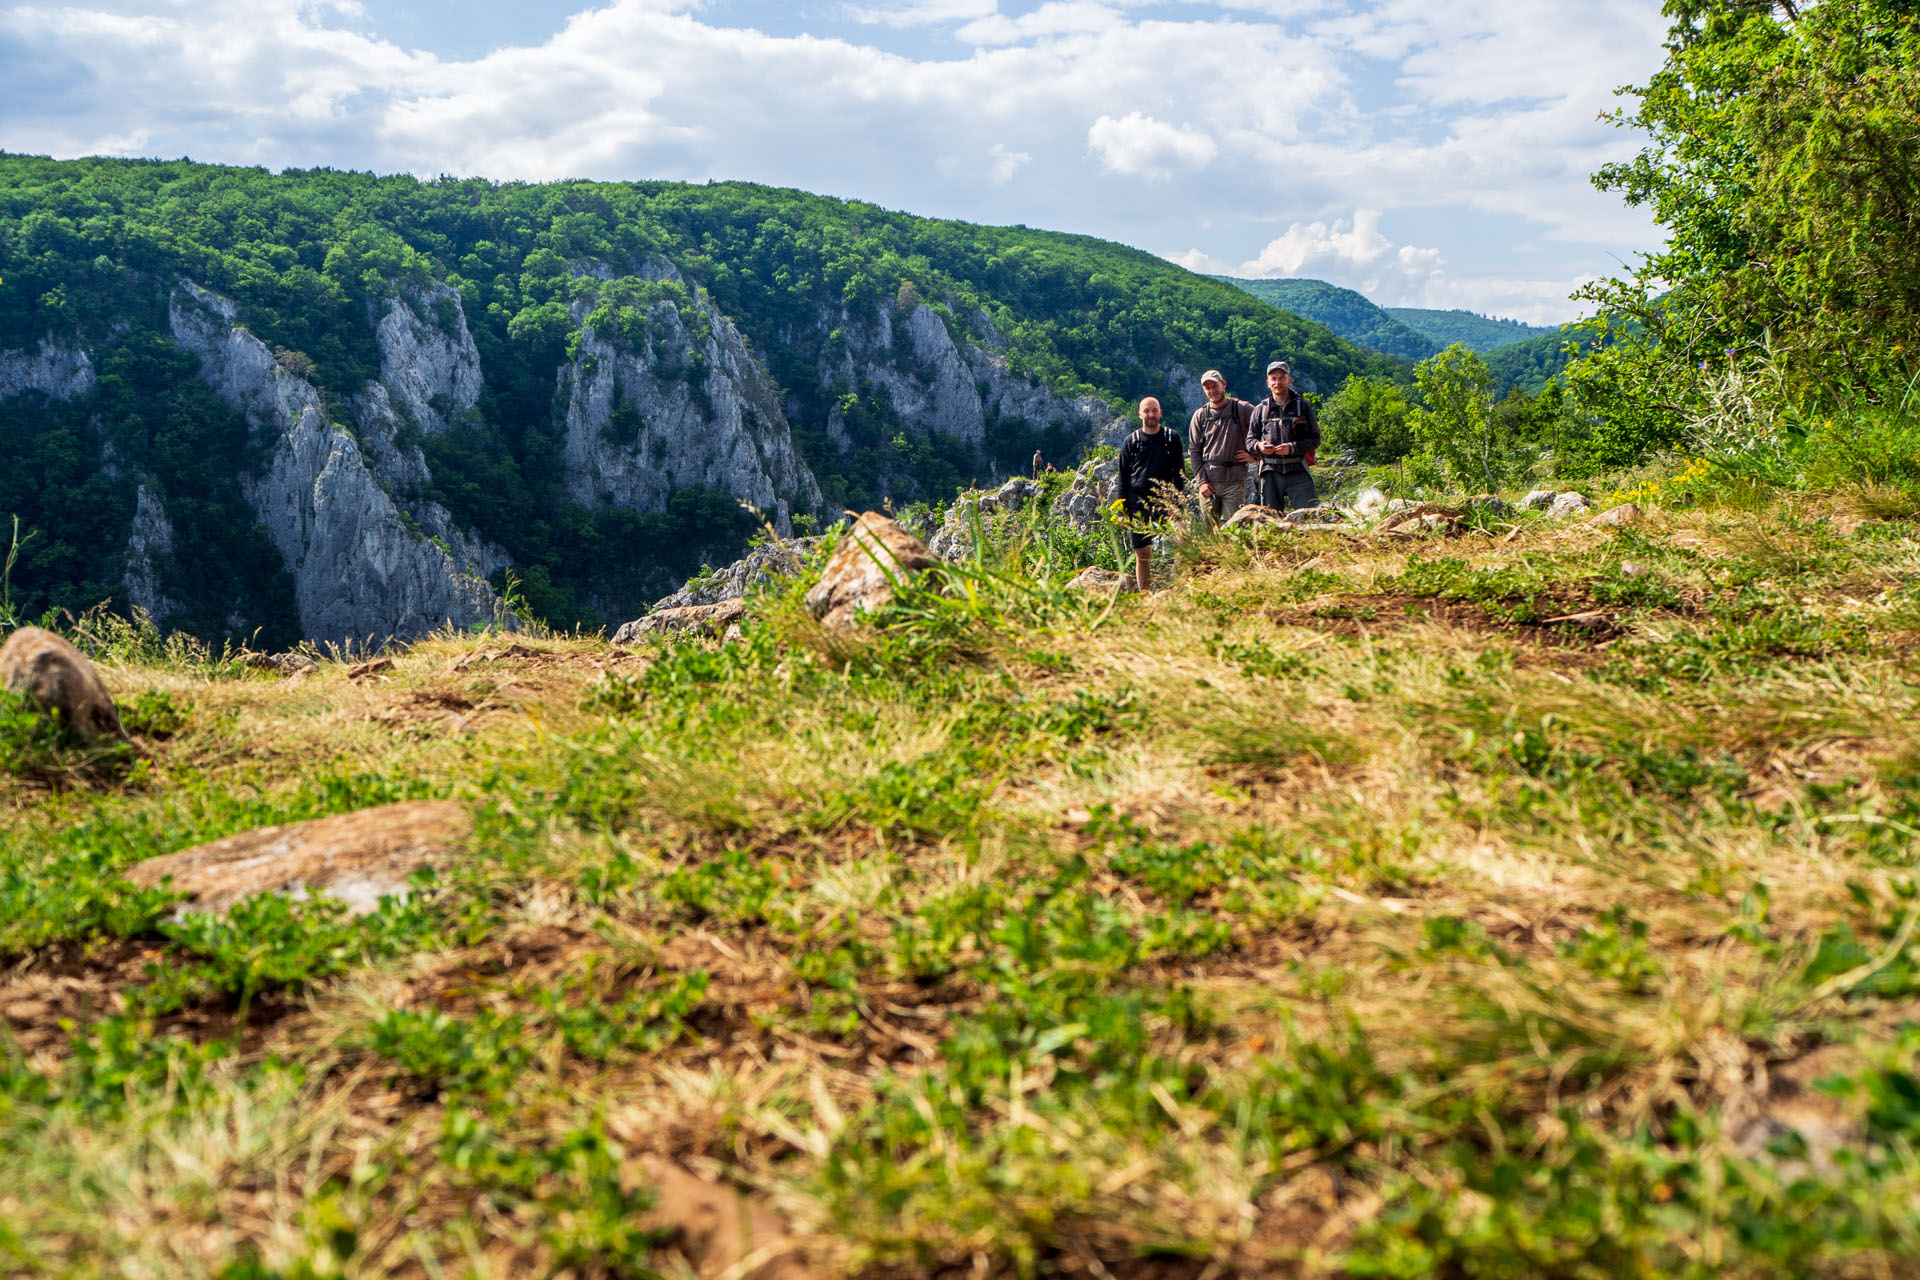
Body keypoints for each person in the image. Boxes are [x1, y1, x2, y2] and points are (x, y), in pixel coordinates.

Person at [1115, 396, 1186, 591]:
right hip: (1137, 503)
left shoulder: (1172, 438)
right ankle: (1145, 596)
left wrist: (1176, 506)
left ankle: (1175, 588)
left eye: (1154, 410)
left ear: (1160, 412)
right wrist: (1122, 511)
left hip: (1166, 502)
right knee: (1142, 554)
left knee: (1183, 541)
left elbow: (1180, 475)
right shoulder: (1132, 442)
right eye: (1146, 411)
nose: (1151, 414)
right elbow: (1122, 477)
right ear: (1140, 414)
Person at [1188, 369, 1257, 527]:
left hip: (1234, 482)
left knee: (1231, 530)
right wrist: (1202, 482)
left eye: (1215, 386)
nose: (1212, 391)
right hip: (1209, 484)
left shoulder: (1242, 409)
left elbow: (1263, 430)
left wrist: (1255, 456)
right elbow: (1194, 451)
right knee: (1209, 532)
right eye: (1208, 388)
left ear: (1223, 384)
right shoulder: (1200, 416)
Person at [1250, 360, 1321, 511]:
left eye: (1282, 377)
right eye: (1274, 379)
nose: (1278, 382)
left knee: (1309, 515)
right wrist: (1259, 446)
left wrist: (1293, 447)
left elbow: (1315, 439)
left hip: (1298, 469)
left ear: (1289, 380)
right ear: (1268, 383)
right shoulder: (1260, 410)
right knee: (1271, 522)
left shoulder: (1303, 407)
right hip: (1270, 472)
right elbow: (1249, 440)